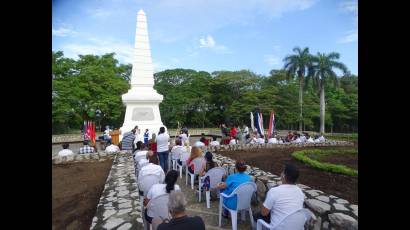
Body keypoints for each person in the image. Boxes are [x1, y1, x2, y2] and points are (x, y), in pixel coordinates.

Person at [253, 164, 305, 229]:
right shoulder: (300, 192)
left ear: (283, 175)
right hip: (296, 226)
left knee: (256, 215)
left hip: (279, 227)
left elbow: (264, 213)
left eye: (282, 171)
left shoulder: (274, 191)